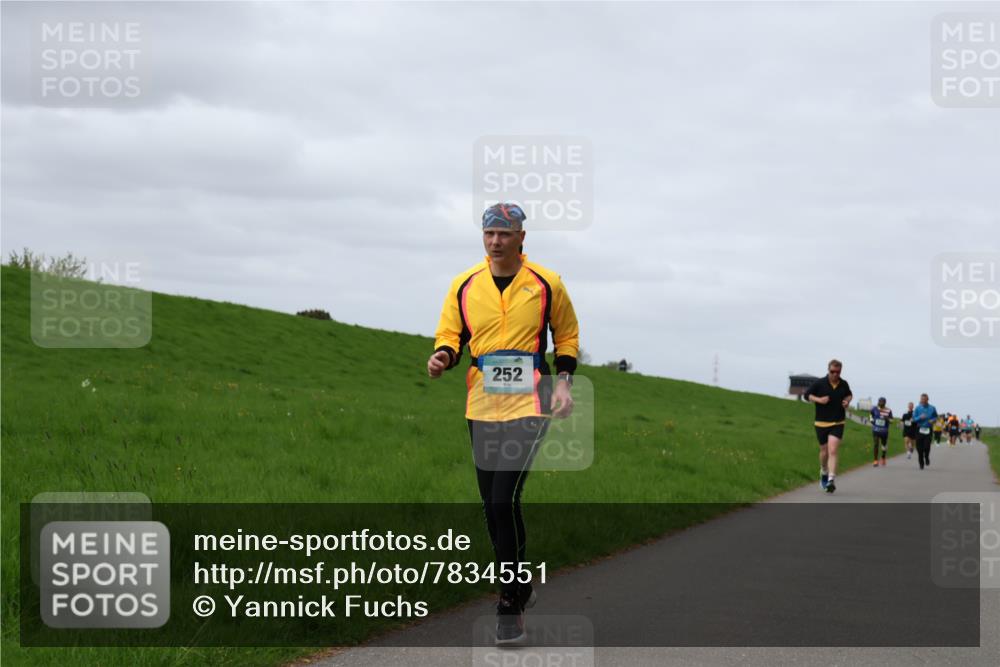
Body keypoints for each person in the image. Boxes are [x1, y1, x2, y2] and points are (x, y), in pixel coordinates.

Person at [428, 202, 579, 646]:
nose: (496, 242)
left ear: (521, 238)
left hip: (531, 399)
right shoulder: (464, 284)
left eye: (505, 234)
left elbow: (566, 335)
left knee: (502, 499)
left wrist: (566, 382)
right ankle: (520, 585)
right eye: (489, 234)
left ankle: (508, 605)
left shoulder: (546, 283)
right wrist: (443, 356)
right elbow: (450, 334)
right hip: (481, 401)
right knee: (491, 505)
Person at [806, 359, 853, 494]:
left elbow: (849, 394)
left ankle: (831, 479)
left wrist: (847, 401)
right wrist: (819, 400)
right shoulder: (820, 383)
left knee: (833, 450)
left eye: (837, 372)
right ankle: (824, 470)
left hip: (838, 422)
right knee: (824, 451)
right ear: (828, 370)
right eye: (832, 371)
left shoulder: (843, 384)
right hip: (821, 422)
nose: (835, 374)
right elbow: (806, 395)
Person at [912, 394, 939, 470]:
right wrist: (919, 417)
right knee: (919, 448)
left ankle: (926, 457)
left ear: (927, 400)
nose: (922, 401)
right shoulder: (917, 408)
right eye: (921, 399)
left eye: (924, 399)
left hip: (928, 429)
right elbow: (914, 419)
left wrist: (933, 420)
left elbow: (936, 417)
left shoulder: (932, 408)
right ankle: (921, 462)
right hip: (919, 429)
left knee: (927, 446)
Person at [870, 397, 893, 467]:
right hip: (875, 430)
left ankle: (883, 457)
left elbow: (892, 420)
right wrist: (871, 420)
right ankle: (875, 460)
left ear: (885, 403)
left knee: (883, 445)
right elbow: (871, 415)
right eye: (880, 401)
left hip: (884, 431)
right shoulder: (874, 409)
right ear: (878, 402)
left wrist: (887, 419)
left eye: (882, 402)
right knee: (876, 444)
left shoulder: (888, 411)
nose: (881, 403)